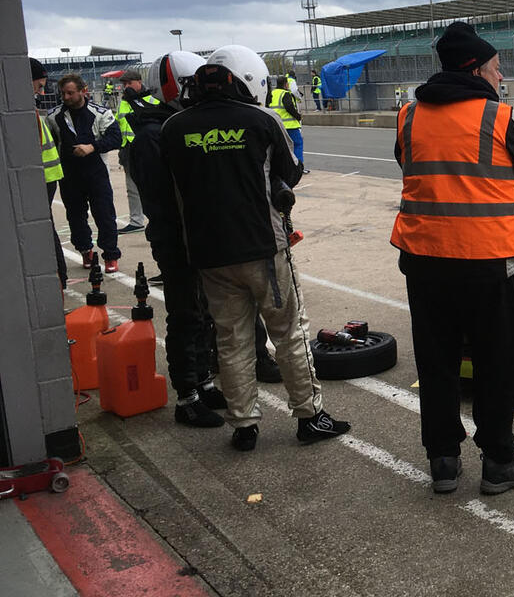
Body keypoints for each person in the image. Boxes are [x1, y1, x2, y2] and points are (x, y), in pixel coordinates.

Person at [161, 45, 350, 451]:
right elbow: (291, 173)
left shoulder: (174, 127)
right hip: (263, 248)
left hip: (208, 255)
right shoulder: (261, 119)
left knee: (231, 340)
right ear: (249, 80)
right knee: (289, 333)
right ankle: (310, 416)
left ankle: (244, 425)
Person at [390, 21, 514, 495]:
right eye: (497, 68)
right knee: (497, 363)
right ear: (477, 70)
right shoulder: (500, 117)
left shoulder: (409, 116)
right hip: (489, 260)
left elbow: (408, 164)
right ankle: (499, 460)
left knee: (436, 361)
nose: (501, 77)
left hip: (424, 258)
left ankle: (443, 460)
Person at [127, 51, 228, 427]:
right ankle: (187, 396)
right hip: (175, 237)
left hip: (195, 233)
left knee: (204, 311)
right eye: (190, 85)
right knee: (185, 314)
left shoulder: (177, 126)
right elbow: (162, 197)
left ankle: (204, 381)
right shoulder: (152, 135)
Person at [47, 74, 122, 273]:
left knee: (104, 214)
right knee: (75, 216)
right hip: (69, 175)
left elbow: (116, 138)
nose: (66, 97)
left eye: (70, 93)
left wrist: (93, 147)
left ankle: (111, 255)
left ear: (83, 91)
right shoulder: (53, 116)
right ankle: (85, 250)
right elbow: (50, 143)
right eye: (63, 93)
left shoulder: (100, 112)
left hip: (96, 172)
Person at [32, 58, 68, 290]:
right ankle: (59, 277)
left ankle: (59, 278)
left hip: (44, 177)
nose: (42, 92)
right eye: (39, 86)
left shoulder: (27, 112)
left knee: (44, 227)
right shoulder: (29, 109)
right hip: (47, 175)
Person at [116, 69, 159, 233]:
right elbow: (119, 123)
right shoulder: (123, 102)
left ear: (139, 82)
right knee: (132, 187)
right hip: (128, 148)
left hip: (147, 147)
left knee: (155, 183)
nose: (126, 86)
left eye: (129, 83)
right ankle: (136, 221)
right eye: (124, 84)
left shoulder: (152, 99)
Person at [267, 76, 306, 173]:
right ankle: (298, 168)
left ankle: (282, 168)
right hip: (289, 125)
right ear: (285, 84)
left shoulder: (272, 93)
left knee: (281, 148)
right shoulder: (285, 93)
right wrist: (298, 116)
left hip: (276, 125)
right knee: (297, 144)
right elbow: (289, 107)